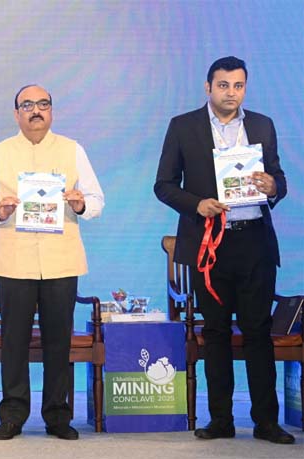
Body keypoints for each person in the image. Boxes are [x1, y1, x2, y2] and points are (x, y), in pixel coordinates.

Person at [154, 56, 293, 444]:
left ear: (245, 88)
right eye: (223, 85)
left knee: (258, 332)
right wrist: (197, 204)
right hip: (208, 245)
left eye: (238, 86)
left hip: (255, 243)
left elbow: (278, 178)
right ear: (208, 87)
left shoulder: (262, 124)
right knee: (215, 333)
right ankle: (220, 420)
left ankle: (266, 422)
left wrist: (273, 187)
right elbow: (164, 185)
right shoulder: (183, 126)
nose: (231, 93)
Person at [0, 84, 104, 441]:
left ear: (52, 111)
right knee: (14, 342)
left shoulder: (73, 150)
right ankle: (13, 415)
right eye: (27, 105)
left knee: (58, 342)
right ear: (16, 114)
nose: (36, 111)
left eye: (43, 104)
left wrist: (80, 204)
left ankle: (57, 415)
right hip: (14, 261)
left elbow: (97, 200)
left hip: (61, 261)